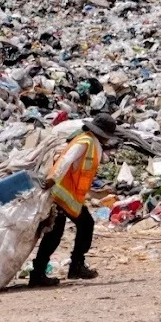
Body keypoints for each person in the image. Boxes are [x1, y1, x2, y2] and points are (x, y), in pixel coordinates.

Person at [30, 114, 121, 288]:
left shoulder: (92, 143)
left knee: (75, 227)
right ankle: (45, 272)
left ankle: (68, 267)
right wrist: (53, 178)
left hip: (69, 196)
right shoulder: (84, 142)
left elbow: (97, 160)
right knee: (62, 231)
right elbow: (66, 159)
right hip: (61, 193)